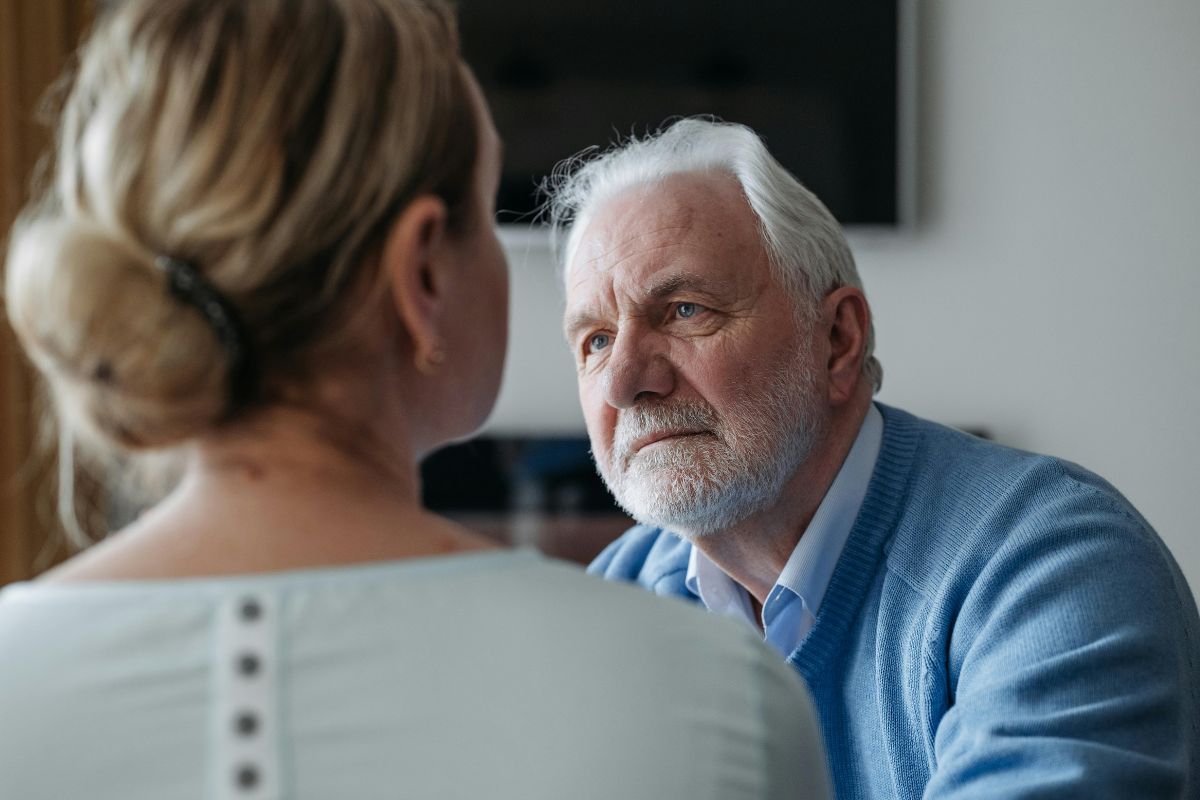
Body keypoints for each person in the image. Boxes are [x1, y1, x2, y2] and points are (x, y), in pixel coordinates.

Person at [0, 5, 832, 798]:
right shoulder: (713, 700)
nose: (622, 375)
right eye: (489, 200)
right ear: (423, 273)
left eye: (685, 312)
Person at [547, 118, 1200, 798]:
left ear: (837, 339)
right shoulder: (613, 602)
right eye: (594, 341)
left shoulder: (1055, 571)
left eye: (685, 310)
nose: (624, 382)